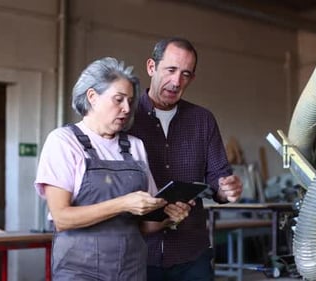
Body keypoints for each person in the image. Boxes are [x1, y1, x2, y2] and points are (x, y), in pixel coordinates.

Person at [34, 57, 190, 281]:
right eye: (118, 100)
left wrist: (170, 217)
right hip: (81, 272)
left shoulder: (135, 146)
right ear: (92, 97)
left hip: (131, 270)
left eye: (130, 101)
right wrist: (123, 203)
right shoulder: (64, 142)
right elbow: (62, 218)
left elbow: (144, 225)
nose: (126, 109)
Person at [127, 37, 243, 281]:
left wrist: (226, 190)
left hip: (192, 255)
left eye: (186, 74)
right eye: (170, 70)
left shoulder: (202, 120)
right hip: (138, 254)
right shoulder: (127, 117)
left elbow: (217, 180)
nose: (176, 81)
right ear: (151, 67)